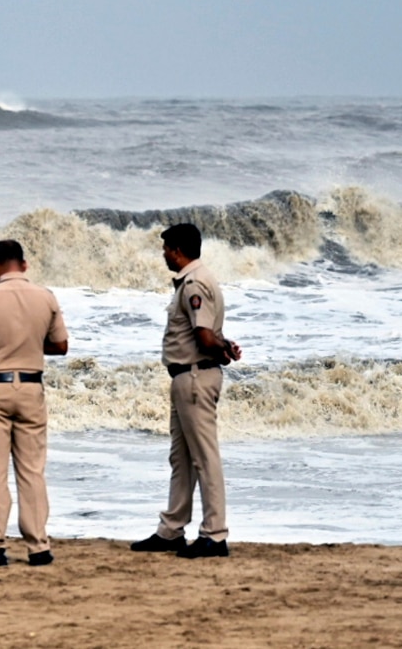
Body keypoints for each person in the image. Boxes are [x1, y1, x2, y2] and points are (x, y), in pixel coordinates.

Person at [131, 223, 241, 559]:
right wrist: (225, 346)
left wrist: (221, 345)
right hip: (187, 376)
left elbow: (204, 335)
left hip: (194, 378)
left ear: (178, 250)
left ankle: (214, 534)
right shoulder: (195, 280)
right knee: (181, 458)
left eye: (166, 249)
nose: (164, 254)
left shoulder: (194, 283)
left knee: (204, 458)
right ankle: (171, 529)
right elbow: (209, 336)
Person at [0, 240, 68, 567]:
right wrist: (30, 344)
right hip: (31, 385)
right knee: (32, 469)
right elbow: (60, 345)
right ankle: (38, 546)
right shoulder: (46, 297)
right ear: (25, 264)